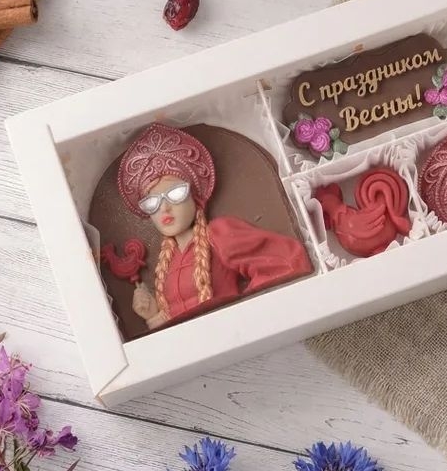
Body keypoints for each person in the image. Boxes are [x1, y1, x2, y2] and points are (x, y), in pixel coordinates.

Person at [116, 123, 312, 329]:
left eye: (175, 194)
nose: (164, 208)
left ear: (195, 199)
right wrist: (153, 316)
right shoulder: (167, 262)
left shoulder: (219, 233)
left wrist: (247, 312)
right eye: (153, 203)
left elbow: (285, 262)